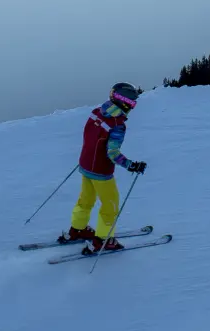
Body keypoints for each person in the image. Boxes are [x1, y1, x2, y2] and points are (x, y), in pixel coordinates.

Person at [59, 82, 147, 252]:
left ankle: (77, 230)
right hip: (100, 171)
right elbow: (112, 153)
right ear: (124, 102)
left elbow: (90, 136)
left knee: (85, 200)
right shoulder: (117, 125)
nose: (133, 107)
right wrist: (132, 165)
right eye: (133, 103)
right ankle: (103, 240)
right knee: (110, 205)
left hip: (85, 165)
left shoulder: (97, 113)